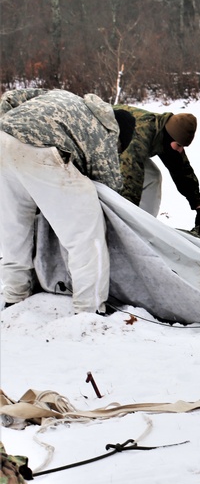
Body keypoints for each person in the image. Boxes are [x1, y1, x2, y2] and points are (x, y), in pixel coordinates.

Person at [0, 88, 135, 315]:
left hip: (3, 139)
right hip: (41, 151)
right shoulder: (106, 132)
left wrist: (7, 126)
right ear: (119, 134)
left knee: (14, 231)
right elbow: (107, 188)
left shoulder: (66, 97)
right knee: (86, 235)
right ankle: (89, 308)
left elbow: (11, 97)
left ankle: (14, 295)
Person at [113, 105, 200, 229]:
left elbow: (183, 171)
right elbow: (131, 172)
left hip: (127, 150)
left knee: (154, 176)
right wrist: (125, 219)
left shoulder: (170, 136)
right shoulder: (144, 131)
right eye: (179, 145)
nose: (180, 150)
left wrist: (198, 207)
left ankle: (146, 226)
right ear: (170, 137)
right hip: (105, 140)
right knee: (131, 182)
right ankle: (128, 224)